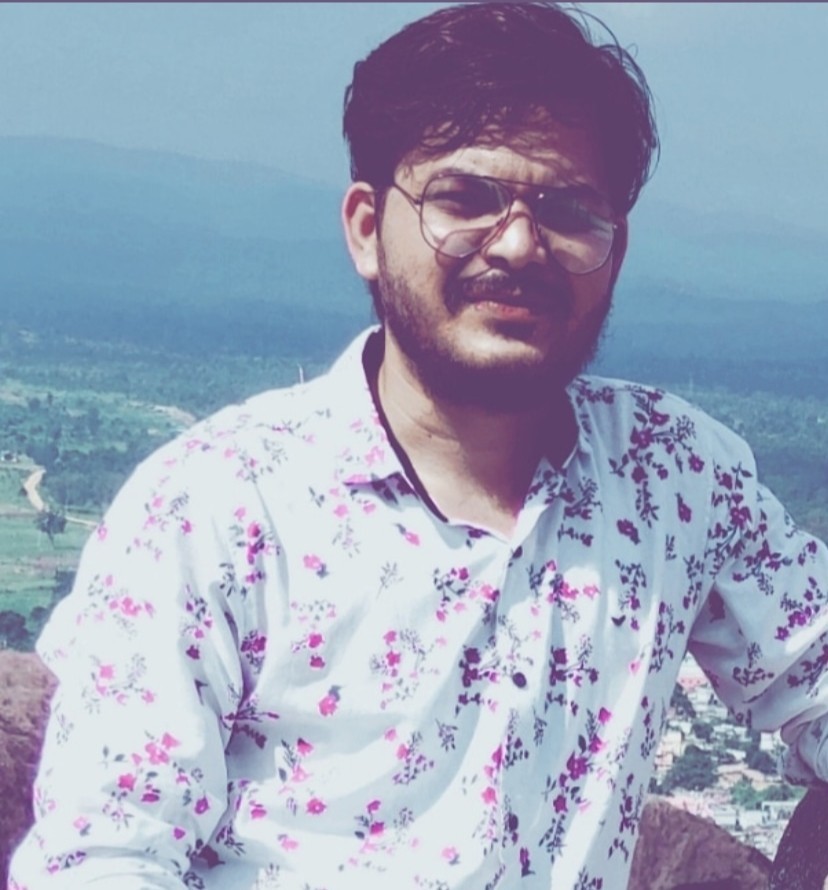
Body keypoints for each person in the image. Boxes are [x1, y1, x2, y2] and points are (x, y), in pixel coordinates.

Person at [10, 3, 827, 889]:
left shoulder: (672, 476)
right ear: (367, 228)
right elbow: (105, 857)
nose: (520, 244)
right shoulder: (216, 509)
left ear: (615, 251)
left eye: (569, 211)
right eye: (464, 199)